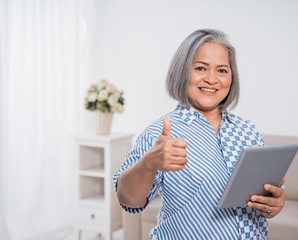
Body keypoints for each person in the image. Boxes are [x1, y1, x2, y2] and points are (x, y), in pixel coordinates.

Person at [113, 29, 286, 239]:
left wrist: (273, 204)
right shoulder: (160, 133)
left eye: (222, 70)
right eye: (201, 68)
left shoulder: (247, 130)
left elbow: (263, 199)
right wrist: (148, 163)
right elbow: (128, 200)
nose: (212, 79)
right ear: (183, 71)